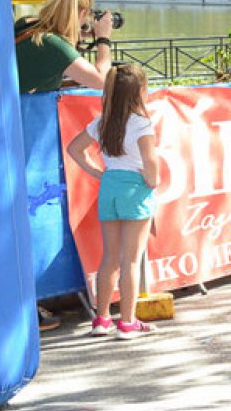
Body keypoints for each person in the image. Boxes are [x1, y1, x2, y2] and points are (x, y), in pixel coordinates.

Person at [64, 64, 161, 340]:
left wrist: (98, 172)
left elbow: (74, 149)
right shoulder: (141, 124)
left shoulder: (102, 122)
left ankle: (102, 319)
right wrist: (152, 181)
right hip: (135, 189)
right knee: (130, 260)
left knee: (109, 258)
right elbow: (151, 165)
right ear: (139, 93)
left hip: (110, 187)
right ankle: (127, 323)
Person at [14, 0, 114, 94]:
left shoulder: (27, 23)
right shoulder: (54, 45)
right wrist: (103, 38)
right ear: (82, 13)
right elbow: (101, 81)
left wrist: (79, 34)